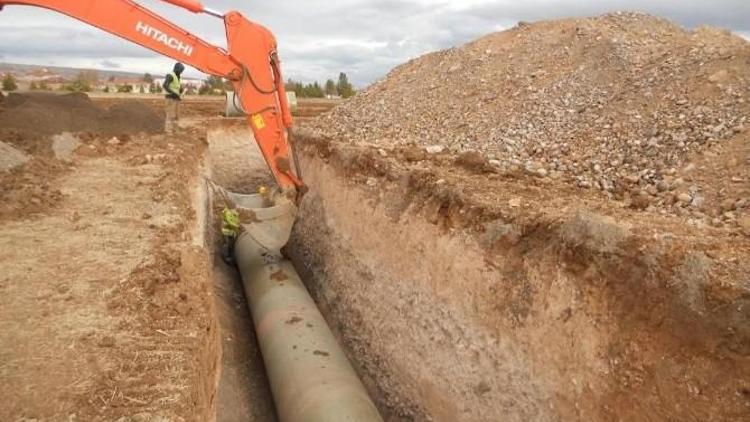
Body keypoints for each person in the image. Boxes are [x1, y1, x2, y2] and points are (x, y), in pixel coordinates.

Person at [163, 62, 185, 134]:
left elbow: (176, 87)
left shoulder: (178, 77)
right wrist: (173, 93)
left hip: (176, 98)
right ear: (177, 69)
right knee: (170, 115)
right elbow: (165, 85)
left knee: (176, 115)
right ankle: (168, 131)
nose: (181, 72)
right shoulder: (170, 75)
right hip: (170, 98)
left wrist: (181, 90)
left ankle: (175, 130)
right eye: (180, 70)